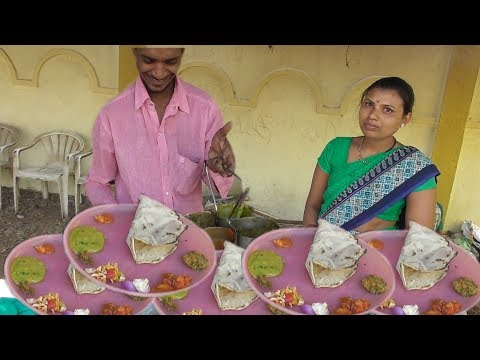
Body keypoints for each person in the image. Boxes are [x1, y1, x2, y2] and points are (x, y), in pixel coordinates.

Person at [86, 47, 235, 215]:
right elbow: (98, 182)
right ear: (135, 53)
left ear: (180, 55)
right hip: (135, 234)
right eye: (149, 60)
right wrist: (117, 220)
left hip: (189, 233)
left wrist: (221, 169)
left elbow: (218, 181)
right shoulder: (112, 115)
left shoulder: (204, 108)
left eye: (170, 62)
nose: (159, 73)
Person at [303, 77, 440, 233]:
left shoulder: (415, 166)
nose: (372, 116)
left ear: (405, 118)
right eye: (369, 104)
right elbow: (312, 206)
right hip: (323, 248)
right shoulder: (336, 148)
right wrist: (312, 239)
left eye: (387, 109)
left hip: (378, 252)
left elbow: (418, 238)